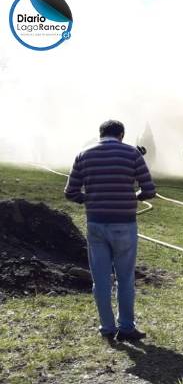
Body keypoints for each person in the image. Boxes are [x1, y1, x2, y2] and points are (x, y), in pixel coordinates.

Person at [64, 119, 156, 342]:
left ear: (100, 134)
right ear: (121, 135)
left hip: (96, 224)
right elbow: (149, 190)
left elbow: (70, 192)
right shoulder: (133, 154)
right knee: (125, 278)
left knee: (101, 280)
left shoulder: (83, 155)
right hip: (124, 224)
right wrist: (133, 197)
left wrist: (91, 199)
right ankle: (126, 328)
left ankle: (106, 328)